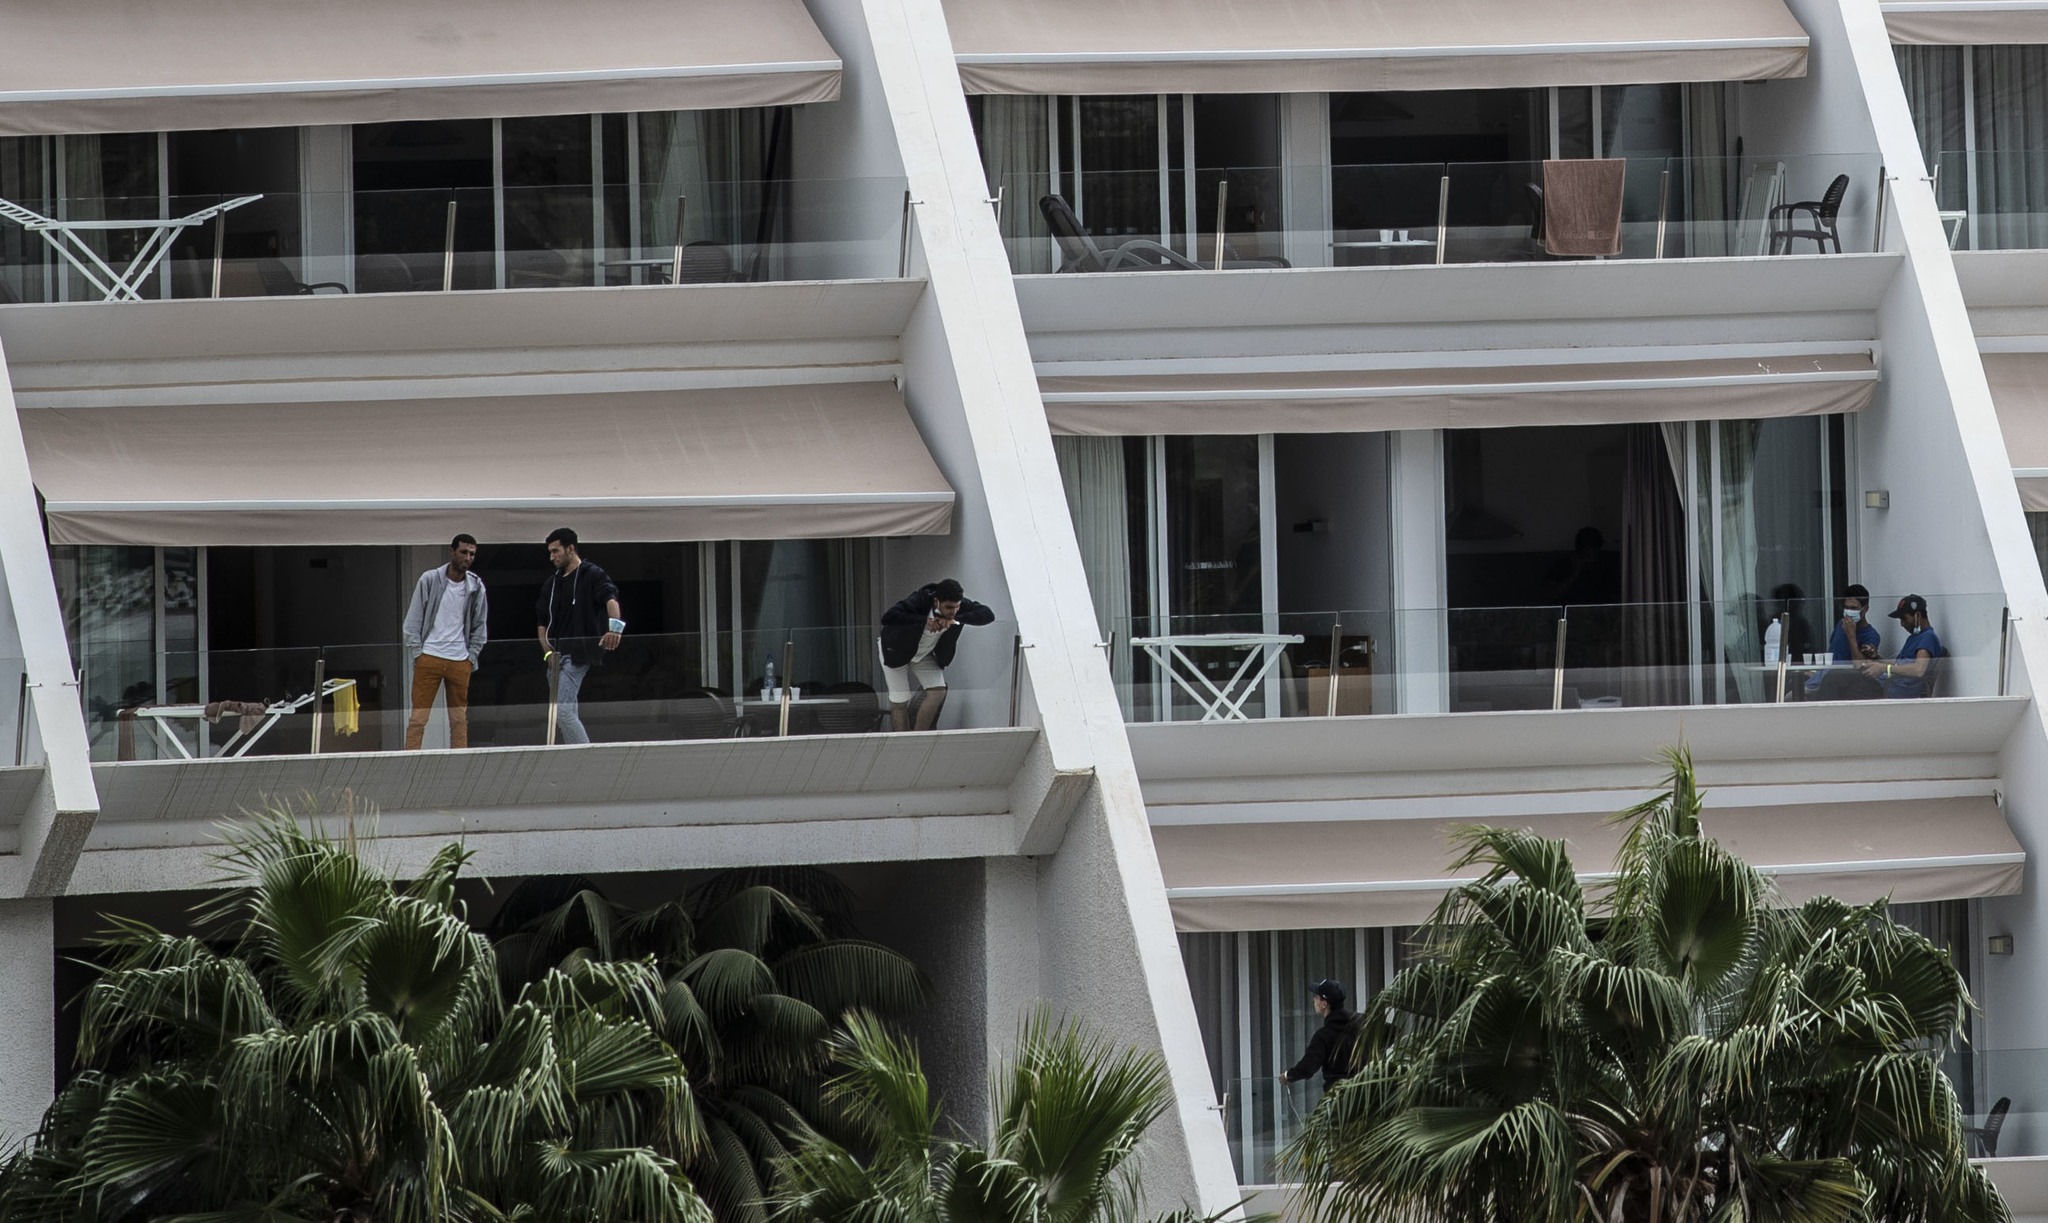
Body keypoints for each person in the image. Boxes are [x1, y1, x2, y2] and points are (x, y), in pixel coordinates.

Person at [534, 527, 623, 744]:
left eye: (556, 551)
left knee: (562, 712)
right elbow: (542, 623)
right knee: (566, 713)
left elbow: (610, 598)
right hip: (556, 658)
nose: (552, 557)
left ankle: (585, 757)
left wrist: (614, 630)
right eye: (550, 552)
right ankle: (574, 756)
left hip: (578, 655)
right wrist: (548, 655)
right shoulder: (552, 583)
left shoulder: (591, 574)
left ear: (570, 549)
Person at [401, 534, 488, 750]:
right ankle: (409, 761)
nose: (467, 557)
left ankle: (458, 764)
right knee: (418, 718)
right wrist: (418, 653)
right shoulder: (430, 580)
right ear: (452, 551)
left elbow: (480, 625)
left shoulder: (475, 586)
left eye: (472, 554)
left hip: (460, 659)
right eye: (463, 552)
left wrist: (471, 657)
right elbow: (413, 620)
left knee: (459, 720)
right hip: (430, 656)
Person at [878, 578, 995, 731]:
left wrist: (955, 620)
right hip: (897, 649)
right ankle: (903, 744)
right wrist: (924, 621)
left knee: (938, 691)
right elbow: (888, 617)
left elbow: (988, 615)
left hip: (924, 653)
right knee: (900, 700)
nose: (953, 611)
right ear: (936, 602)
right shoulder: (919, 600)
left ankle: (919, 737)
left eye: (957, 607)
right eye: (948, 607)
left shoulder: (957, 609)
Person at [1817, 594, 1942, 700]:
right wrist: (1877, 658)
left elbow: (1918, 669)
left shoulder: (1928, 637)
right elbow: (1899, 665)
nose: (1902, 624)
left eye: (1904, 619)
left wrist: (1883, 668)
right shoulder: (1914, 638)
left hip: (1893, 690)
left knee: (1840, 687)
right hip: (1886, 683)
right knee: (1835, 676)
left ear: (1917, 616)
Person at [1278, 979, 1361, 1091]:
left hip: (1339, 1096)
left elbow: (1308, 1067)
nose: (1313, 1000)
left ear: (1324, 1004)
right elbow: (1391, 1033)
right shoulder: (1363, 1023)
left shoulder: (1324, 1035)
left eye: (1316, 997)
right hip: (1368, 1094)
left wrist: (1288, 1076)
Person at [1803, 583, 1881, 697]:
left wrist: (1851, 636)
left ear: (1865, 609)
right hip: (1821, 676)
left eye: (1854, 608)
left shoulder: (1871, 635)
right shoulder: (1841, 624)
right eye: (1846, 607)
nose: (1849, 612)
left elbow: (1861, 667)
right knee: (1788, 695)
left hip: (1839, 683)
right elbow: (1833, 653)